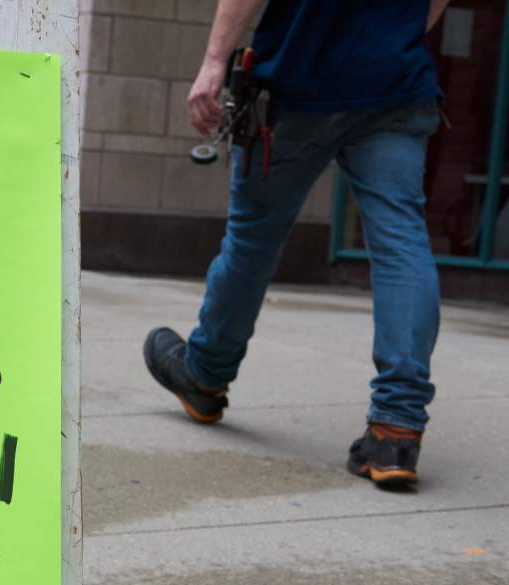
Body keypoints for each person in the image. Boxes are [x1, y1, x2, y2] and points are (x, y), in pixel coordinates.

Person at [144, 0, 453, 487]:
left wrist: (213, 61)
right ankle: (396, 428)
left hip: (298, 84)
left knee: (252, 239)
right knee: (401, 245)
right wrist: (394, 35)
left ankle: (205, 377)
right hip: (394, 83)